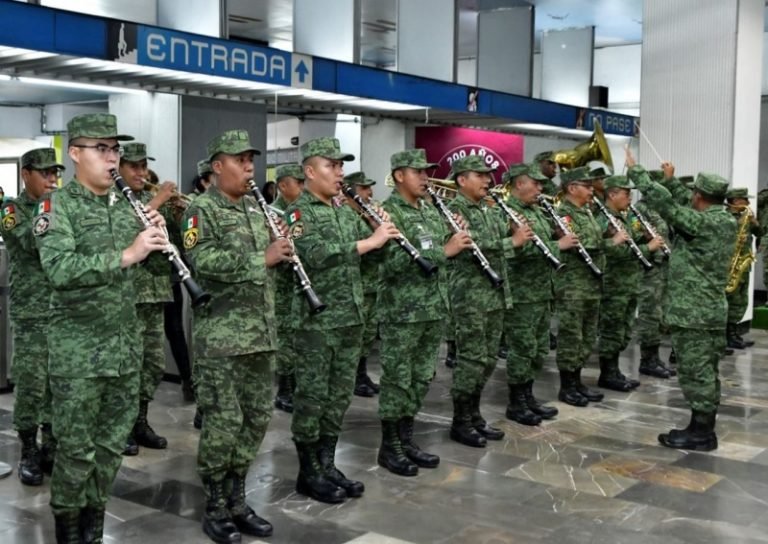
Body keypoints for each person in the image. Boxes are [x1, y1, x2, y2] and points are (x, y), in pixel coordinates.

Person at [34, 112, 168, 542]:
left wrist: (157, 241)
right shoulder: (57, 206)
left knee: (110, 449)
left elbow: (145, 265)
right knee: (75, 452)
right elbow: (58, 268)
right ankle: (70, 531)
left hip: (123, 352)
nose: (112, 159)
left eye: (116, 150)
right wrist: (126, 255)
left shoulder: (126, 207)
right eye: (102, 149)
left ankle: (93, 526)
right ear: (75, 153)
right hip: (78, 356)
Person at [183, 129, 293, 542]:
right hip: (222, 340)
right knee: (224, 423)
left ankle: (237, 497)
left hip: (260, 336)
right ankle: (214, 503)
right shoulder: (199, 210)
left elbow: (271, 261)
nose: (249, 167)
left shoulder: (256, 208)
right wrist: (260, 258)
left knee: (256, 420)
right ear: (217, 165)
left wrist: (283, 253)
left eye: (251, 159)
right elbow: (203, 260)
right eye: (240, 159)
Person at [284, 137, 399, 504]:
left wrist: (386, 237)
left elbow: (369, 261)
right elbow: (313, 254)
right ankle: (307, 472)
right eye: (331, 166)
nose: (339, 172)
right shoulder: (298, 213)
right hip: (316, 324)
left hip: (350, 319)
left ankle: (326, 463)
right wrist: (368, 243)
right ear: (309, 171)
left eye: (341, 165)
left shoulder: (344, 211)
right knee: (312, 398)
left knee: (336, 400)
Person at [627, 151, 737, 451]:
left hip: (695, 315)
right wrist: (672, 180)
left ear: (700, 196)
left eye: (694, 194)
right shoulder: (723, 218)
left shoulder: (702, 223)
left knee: (696, 372)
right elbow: (682, 200)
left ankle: (701, 433)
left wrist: (638, 174)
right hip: (708, 312)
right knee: (705, 372)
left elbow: (667, 206)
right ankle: (701, 426)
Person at [376, 149, 473, 475]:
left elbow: (443, 248)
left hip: (432, 309)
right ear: (400, 175)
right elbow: (390, 263)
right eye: (418, 172)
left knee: (420, 378)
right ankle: (389, 446)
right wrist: (445, 250)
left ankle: (406, 439)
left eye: (427, 171)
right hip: (403, 312)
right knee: (398, 380)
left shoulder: (429, 210)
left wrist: (455, 234)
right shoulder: (388, 213)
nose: (425, 177)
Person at [446, 155, 532, 447]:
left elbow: (499, 247)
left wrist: (516, 233)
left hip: (495, 295)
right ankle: (461, 420)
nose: (488, 180)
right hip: (470, 297)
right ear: (461, 180)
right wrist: (513, 241)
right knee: (471, 359)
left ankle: (474, 414)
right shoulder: (453, 209)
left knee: (488, 359)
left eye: (488, 175)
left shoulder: (488, 207)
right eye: (480, 175)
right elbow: (472, 247)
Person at [0, 148, 62, 486]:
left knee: (56, 383)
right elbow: (28, 241)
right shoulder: (11, 209)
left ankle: (50, 447)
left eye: (55, 173)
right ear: (26, 175)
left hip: (61, 310)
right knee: (32, 384)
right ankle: (28, 449)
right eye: (45, 173)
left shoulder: (56, 208)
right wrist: (50, 208)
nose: (53, 179)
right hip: (30, 314)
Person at [501, 163, 576, 425]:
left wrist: (556, 235)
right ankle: (516, 402)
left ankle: (528, 396)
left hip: (542, 292)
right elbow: (516, 252)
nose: (541, 188)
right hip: (523, 294)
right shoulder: (507, 212)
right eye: (536, 183)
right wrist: (559, 245)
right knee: (522, 348)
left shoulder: (537, 210)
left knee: (538, 349)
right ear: (520, 184)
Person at [118, 142, 177, 455]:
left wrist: (177, 215)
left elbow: (176, 244)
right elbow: (126, 231)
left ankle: (140, 420)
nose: (141, 173)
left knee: (152, 364)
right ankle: (123, 425)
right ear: (119, 168)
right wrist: (158, 200)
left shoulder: (149, 201)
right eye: (134, 167)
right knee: (128, 365)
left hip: (155, 293)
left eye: (144, 166)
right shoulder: (115, 202)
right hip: (127, 297)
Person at [595, 175, 665, 391]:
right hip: (614, 285)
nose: (630, 197)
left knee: (624, 330)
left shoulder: (624, 217)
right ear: (612, 195)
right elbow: (612, 252)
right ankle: (607, 373)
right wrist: (648, 248)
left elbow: (632, 241)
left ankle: (615, 370)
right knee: (612, 329)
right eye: (626, 193)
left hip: (629, 284)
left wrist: (645, 236)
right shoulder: (604, 219)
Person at [552, 166, 610, 407]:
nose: (591, 190)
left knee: (587, 337)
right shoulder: (562, 214)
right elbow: (580, 243)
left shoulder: (586, 211)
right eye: (586, 186)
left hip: (591, 285)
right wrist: (610, 241)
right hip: (573, 286)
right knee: (571, 337)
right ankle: (567, 385)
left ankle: (577, 381)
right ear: (572, 188)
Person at [634, 170, 676, 378]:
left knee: (660, 313)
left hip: (664, 266)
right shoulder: (639, 210)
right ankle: (647, 359)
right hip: (648, 267)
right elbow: (635, 238)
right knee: (650, 313)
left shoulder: (661, 209)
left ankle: (655, 356)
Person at [343, 171, 381, 397]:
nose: (370, 192)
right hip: (355, 288)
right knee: (355, 338)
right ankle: (353, 378)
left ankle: (361, 374)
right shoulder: (346, 216)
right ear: (351, 190)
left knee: (367, 336)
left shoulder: (368, 214)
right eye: (364, 188)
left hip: (372, 284)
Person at [272, 163, 305, 413]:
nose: (304, 187)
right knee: (285, 339)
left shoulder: (301, 211)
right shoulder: (272, 213)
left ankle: (295, 384)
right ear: (283, 186)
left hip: (300, 286)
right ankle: (284, 389)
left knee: (297, 339)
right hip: (282, 286)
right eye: (299, 183)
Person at [724, 187, 762, 349]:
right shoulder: (725, 217)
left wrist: (754, 222)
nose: (748, 202)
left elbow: (760, 232)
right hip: (730, 265)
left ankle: (734, 333)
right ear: (736, 201)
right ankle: (726, 336)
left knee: (741, 302)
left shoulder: (745, 216)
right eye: (745, 199)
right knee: (730, 301)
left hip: (743, 264)